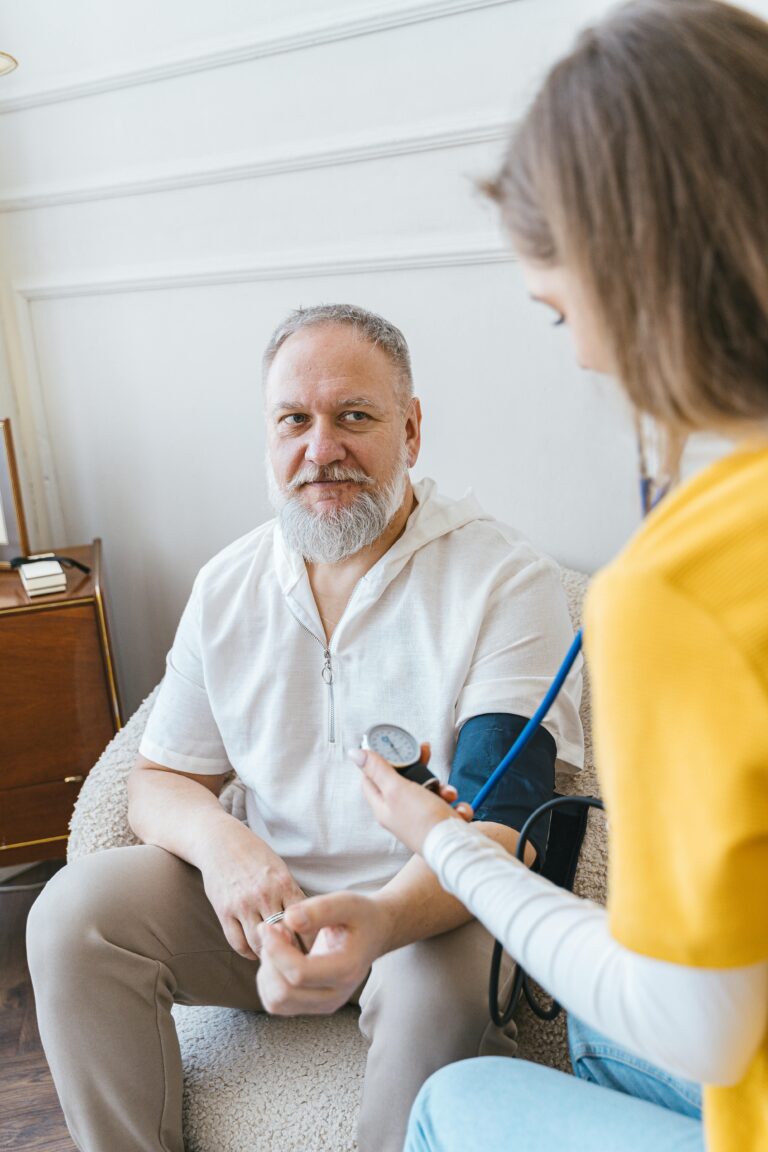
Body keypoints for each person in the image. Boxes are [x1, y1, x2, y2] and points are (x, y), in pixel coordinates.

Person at [273, 3, 768, 1150]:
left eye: (559, 312)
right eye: (293, 418)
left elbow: (701, 1027)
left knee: (455, 1106)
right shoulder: (238, 582)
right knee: (597, 1039)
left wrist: (447, 848)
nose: (588, 354)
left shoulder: (670, 593)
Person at [26, 302, 583, 1152]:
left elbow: (502, 830)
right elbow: (157, 781)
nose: (321, 449)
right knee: (71, 916)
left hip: (428, 916)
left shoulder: (507, 583)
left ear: (411, 428)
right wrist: (225, 846)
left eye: (353, 416)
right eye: (295, 420)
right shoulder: (228, 584)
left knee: (438, 988)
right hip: (268, 915)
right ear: (269, 436)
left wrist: (382, 921)